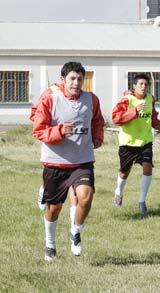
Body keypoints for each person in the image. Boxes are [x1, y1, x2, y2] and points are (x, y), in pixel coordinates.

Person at [32, 61, 105, 261]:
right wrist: (59, 131)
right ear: (62, 80)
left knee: (86, 196)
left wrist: (98, 136)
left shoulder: (91, 99)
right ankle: (50, 243)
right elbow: (38, 129)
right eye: (72, 78)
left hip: (82, 160)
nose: (76, 83)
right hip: (56, 162)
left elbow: (98, 120)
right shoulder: (50, 98)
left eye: (80, 79)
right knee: (54, 209)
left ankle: (75, 231)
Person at [112, 73, 160, 218]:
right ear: (134, 86)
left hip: (145, 141)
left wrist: (157, 125)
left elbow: (152, 114)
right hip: (127, 142)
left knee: (147, 168)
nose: (143, 86)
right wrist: (134, 111)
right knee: (124, 172)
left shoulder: (150, 99)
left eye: (146, 84)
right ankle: (118, 192)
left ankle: (142, 202)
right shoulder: (126, 100)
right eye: (140, 84)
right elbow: (116, 118)